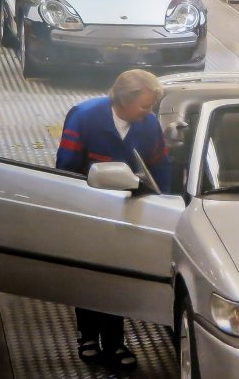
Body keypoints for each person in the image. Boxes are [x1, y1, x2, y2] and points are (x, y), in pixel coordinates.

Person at [55, 69, 172, 369]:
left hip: (125, 212)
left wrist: (165, 204)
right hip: (88, 210)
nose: (148, 113)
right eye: (145, 106)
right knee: (88, 274)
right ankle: (88, 337)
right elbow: (65, 168)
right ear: (124, 99)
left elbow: (161, 167)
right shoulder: (84, 116)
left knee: (117, 275)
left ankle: (115, 341)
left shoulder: (147, 126)